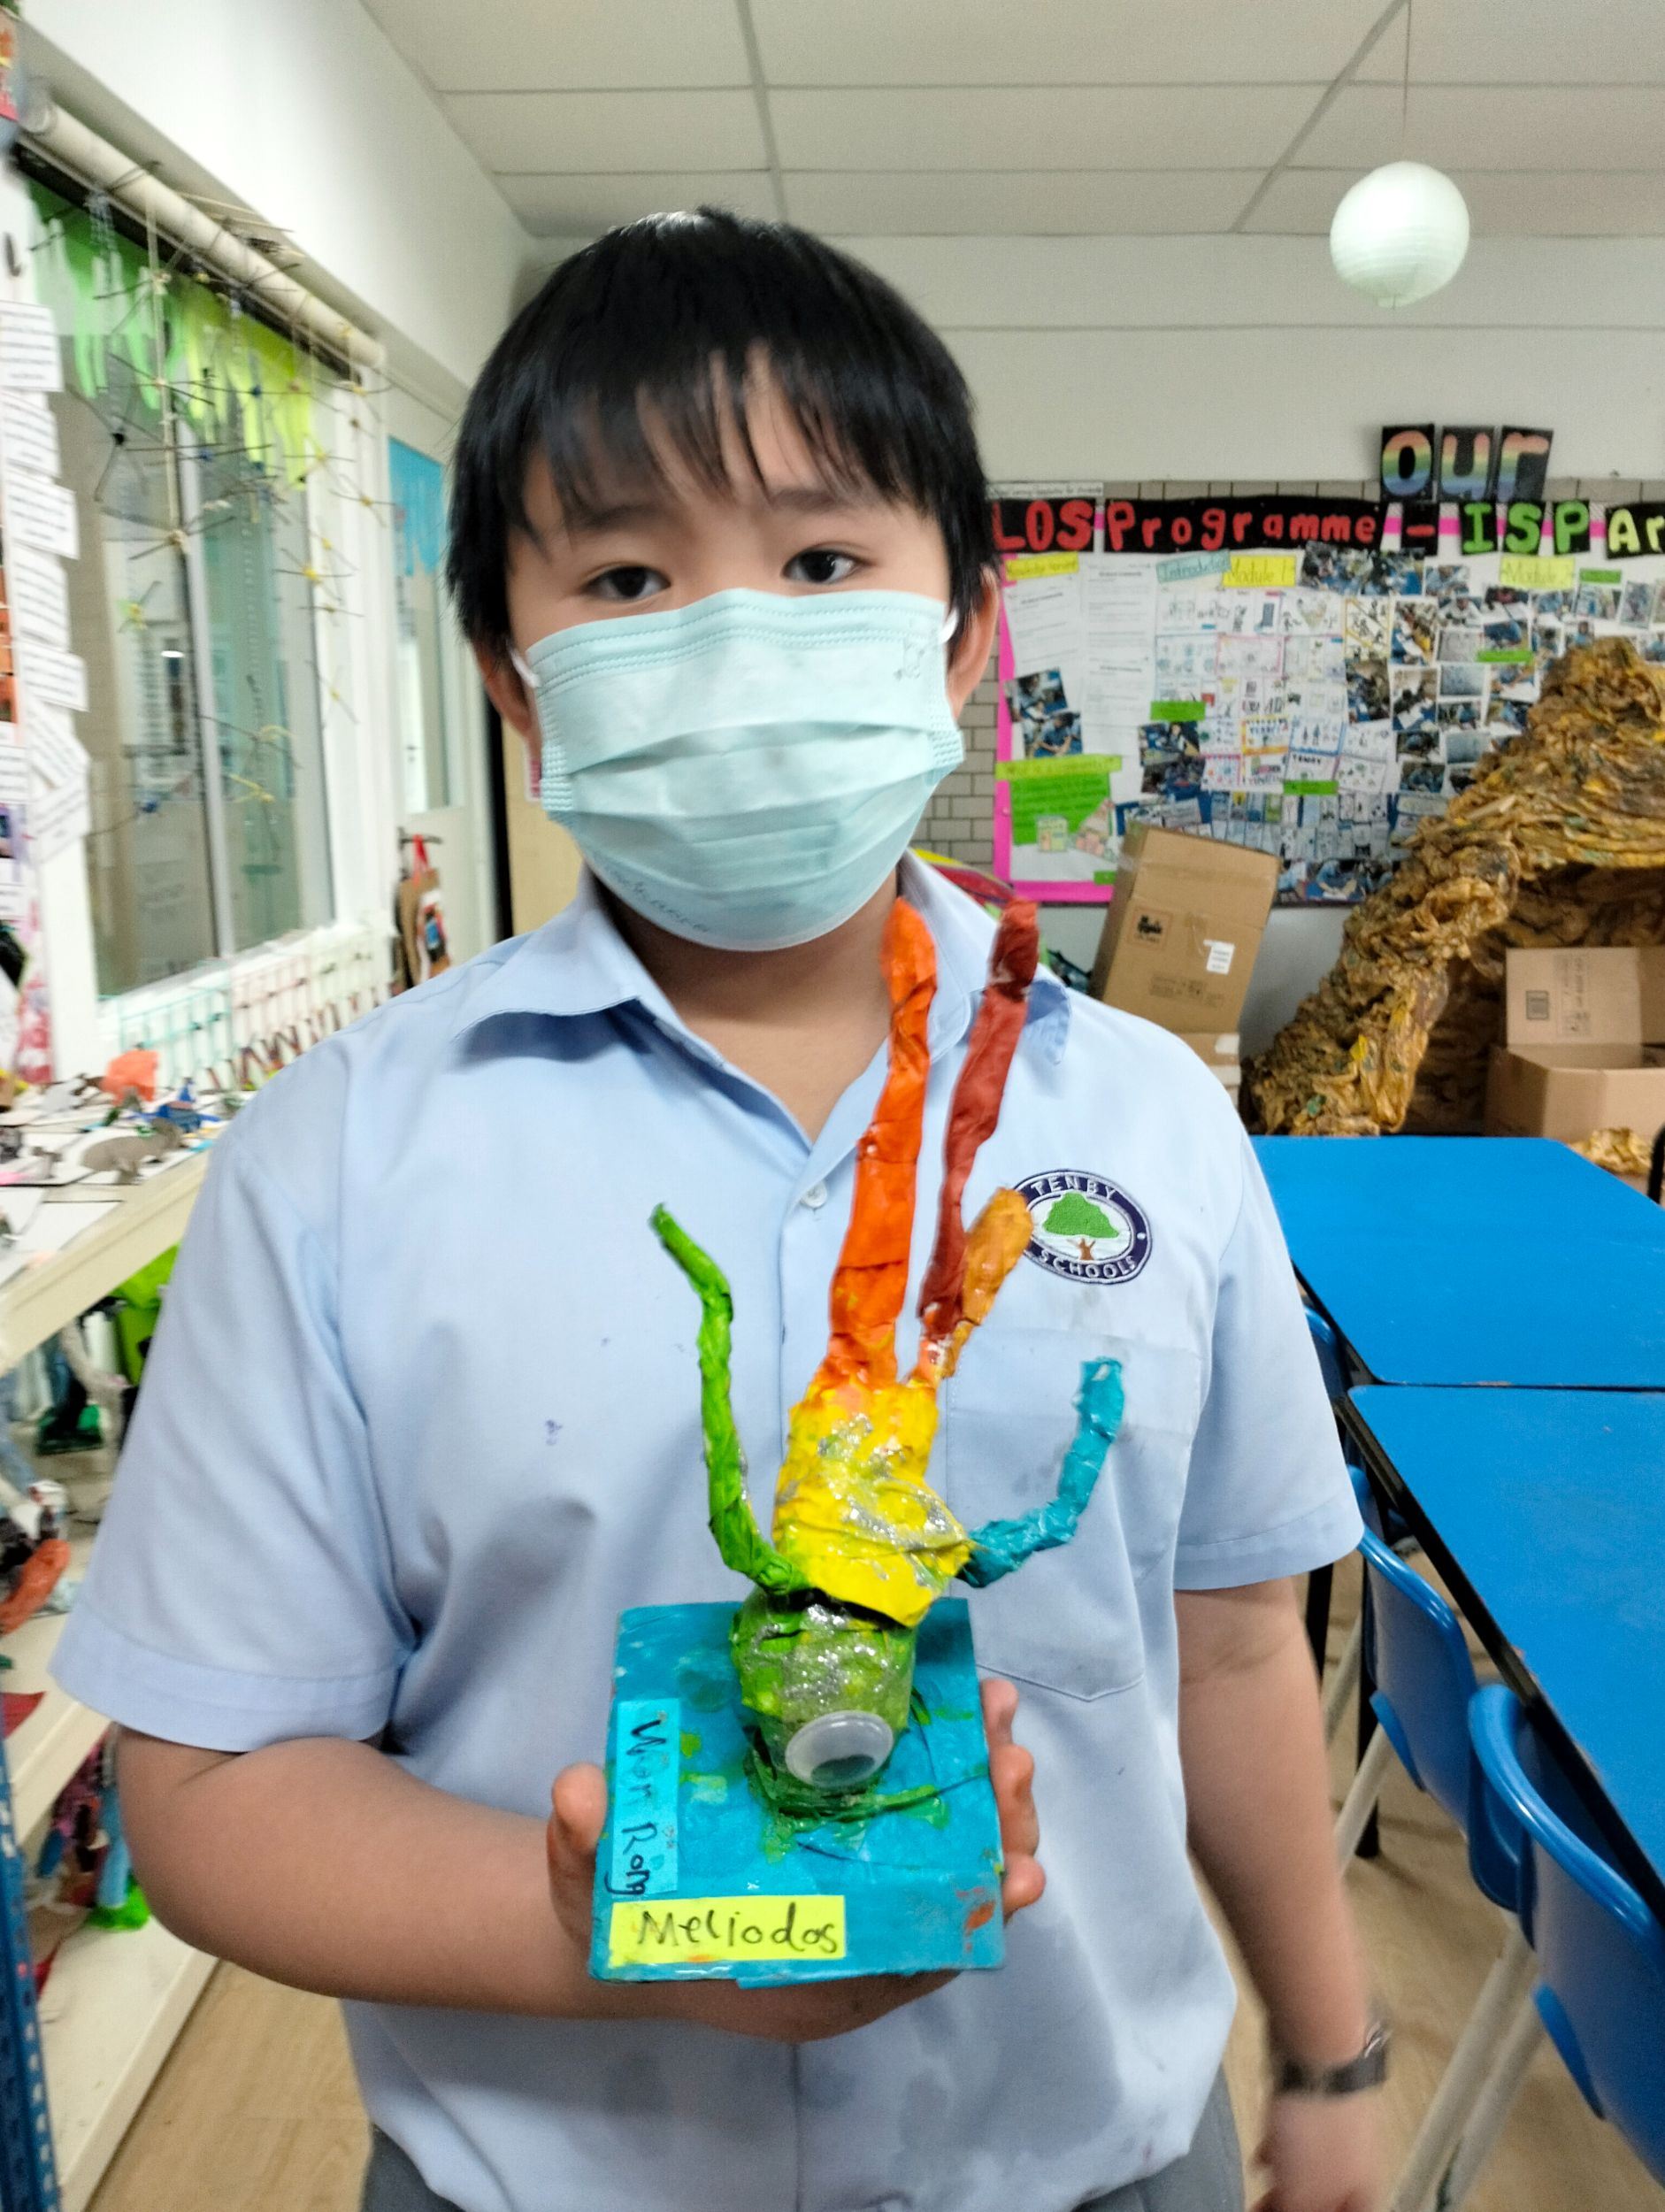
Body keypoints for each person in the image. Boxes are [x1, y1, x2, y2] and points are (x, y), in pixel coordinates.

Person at [53, 211, 1379, 2212]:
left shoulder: (1154, 1119)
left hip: (1096, 2159)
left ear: (962, 633)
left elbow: (1232, 1647)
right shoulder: (337, 1156)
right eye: (625, 576)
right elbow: (217, 1783)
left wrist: (1335, 2046)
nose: (737, 634)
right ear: (512, 678)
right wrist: (620, 1928)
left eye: (823, 560)